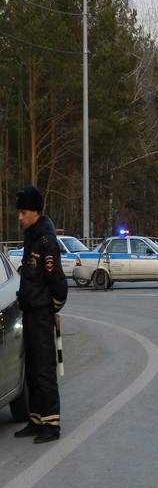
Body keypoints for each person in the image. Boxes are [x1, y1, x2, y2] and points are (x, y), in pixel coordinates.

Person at [14, 186, 68, 444]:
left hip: (41, 314)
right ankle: (36, 419)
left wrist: (52, 309)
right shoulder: (31, 236)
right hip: (30, 312)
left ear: (34, 212)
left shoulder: (45, 240)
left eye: (22, 212)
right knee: (33, 369)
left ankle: (51, 423)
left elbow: (57, 282)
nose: (19, 217)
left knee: (45, 370)